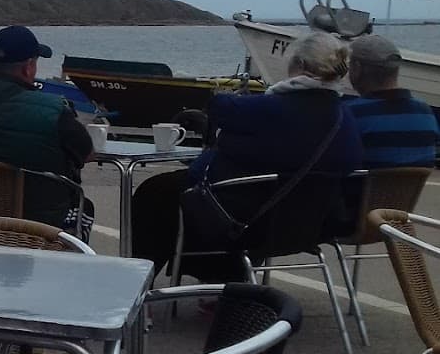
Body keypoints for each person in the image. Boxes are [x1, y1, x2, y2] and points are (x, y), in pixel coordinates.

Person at [129, 31, 363, 281]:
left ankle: (140, 283)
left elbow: (220, 108)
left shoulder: (270, 108)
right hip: (309, 227)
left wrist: (230, 141)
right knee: (190, 193)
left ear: (301, 66)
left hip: (248, 223)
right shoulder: (344, 117)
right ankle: (220, 282)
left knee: (156, 192)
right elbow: (350, 161)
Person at [0, 26, 94, 235]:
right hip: (40, 229)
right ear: (28, 67)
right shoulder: (53, 110)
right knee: (85, 207)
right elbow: (87, 154)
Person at [343, 34, 438, 168]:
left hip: (361, 188)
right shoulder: (426, 113)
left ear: (357, 68)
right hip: (411, 189)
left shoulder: (349, 114)